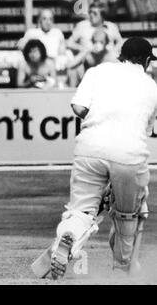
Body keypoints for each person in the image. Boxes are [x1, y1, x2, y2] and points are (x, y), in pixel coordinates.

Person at [48, 37, 157, 279]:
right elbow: (145, 131)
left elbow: (78, 108)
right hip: (129, 153)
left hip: (90, 147)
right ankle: (122, 266)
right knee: (128, 214)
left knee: (80, 210)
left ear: (121, 55)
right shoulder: (152, 87)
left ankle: (69, 237)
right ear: (146, 61)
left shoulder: (98, 71)